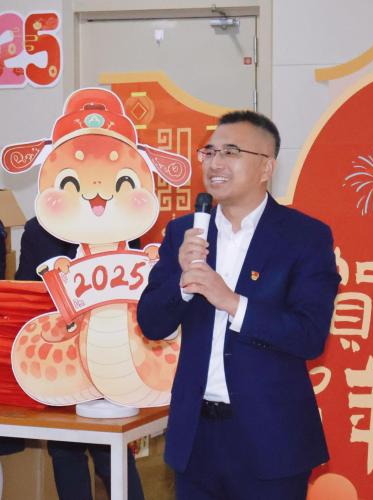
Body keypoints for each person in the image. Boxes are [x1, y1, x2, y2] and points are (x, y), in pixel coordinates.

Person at [137, 110, 341, 499]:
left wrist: (233, 303)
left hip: (271, 440)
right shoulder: (184, 233)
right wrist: (182, 283)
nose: (215, 163)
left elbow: (309, 336)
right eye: (209, 152)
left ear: (266, 167)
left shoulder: (304, 236)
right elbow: (151, 323)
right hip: (196, 438)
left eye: (230, 152)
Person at [15, 217, 145, 500]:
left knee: (112, 452)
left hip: (109, 351)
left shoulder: (121, 222)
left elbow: (139, 291)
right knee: (64, 448)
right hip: (61, 358)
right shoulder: (38, 230)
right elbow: (26, 291)